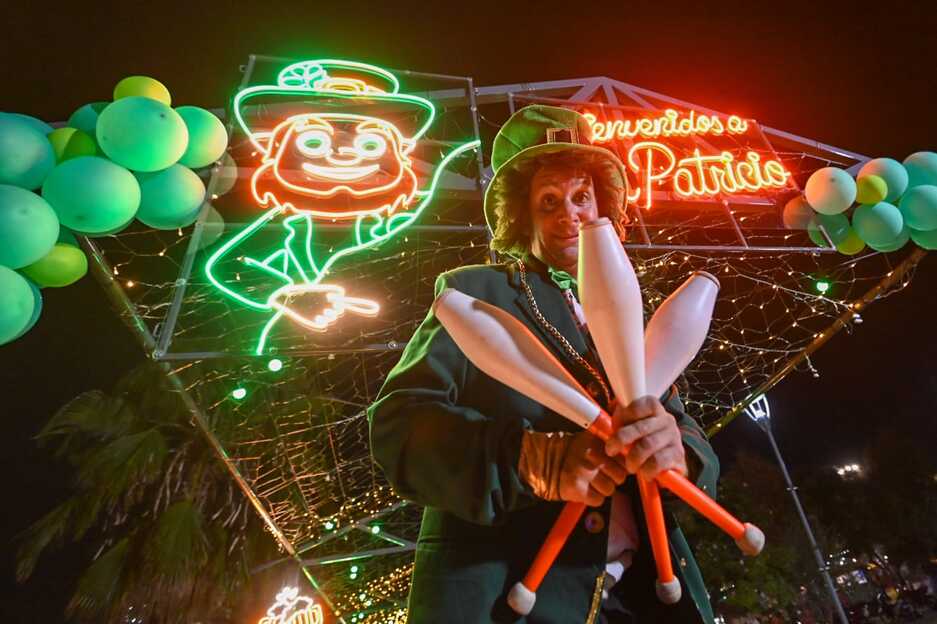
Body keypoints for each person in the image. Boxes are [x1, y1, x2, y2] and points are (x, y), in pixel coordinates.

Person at [368, 105, 719, 623]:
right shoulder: (475, 295)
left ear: (604, 208)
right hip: (509, 600)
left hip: (645, 601)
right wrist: (534, 462)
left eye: (582, 197)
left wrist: (678, 453)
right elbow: (398, 426)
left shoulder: (630, 312)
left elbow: (683, 427)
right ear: (522, 216)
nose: (569, 214)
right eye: (548, 201)